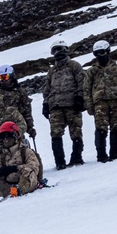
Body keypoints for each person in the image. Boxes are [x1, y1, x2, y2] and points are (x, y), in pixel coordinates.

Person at [41, 39, 86, 169]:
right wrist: (45, 104)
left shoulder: (74, 65)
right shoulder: (52, 71)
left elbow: (82, 82)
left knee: (76, 131)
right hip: (55, 107)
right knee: (55, 134)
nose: (57, 52)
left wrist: (80, 98)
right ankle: (59, 162)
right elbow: (47, 89)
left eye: (59, 49)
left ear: (66, 49)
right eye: (55, 50)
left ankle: (77, 157)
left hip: (72, 104)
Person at [84, 40, 117, 163]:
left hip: (116, 101)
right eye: (96, 54)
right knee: (101, 128)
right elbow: (86, 89)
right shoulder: (91, 71)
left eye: (102, 52)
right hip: (99, 103)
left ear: (108, 52)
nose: (100, 56)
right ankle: (101, 155)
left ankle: (114, 153)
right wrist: (89, 104)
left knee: (116, 127)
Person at [0, 122, 42, 203]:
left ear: (15, 135)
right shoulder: (2, 157)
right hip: (9, 186)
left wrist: (15, 168)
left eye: (7, 136)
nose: (5, 139)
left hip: (27, 182)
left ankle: (20, 189)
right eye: (2, 137)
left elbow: (33, 166)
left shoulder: (26, 151)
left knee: (28, 172)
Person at [0, 65, 36, 139]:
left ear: (11, 76)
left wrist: (30, 127)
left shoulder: (19, 92)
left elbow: (27, 111)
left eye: (5, 77)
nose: (3, 80)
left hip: (15, 128)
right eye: (1, 78)